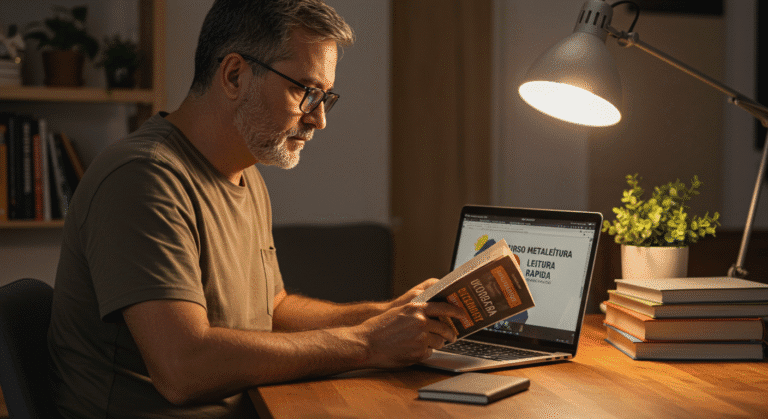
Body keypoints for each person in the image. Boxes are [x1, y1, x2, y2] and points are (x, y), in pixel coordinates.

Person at [47, 1, 462, 417]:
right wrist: (368, 343)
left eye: (324, 96)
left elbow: (273, 309)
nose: (318, 119)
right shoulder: (143, 178)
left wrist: (384, 316)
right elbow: (183, 367)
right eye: (305, 90)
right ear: (234, 75)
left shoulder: (246, 173)